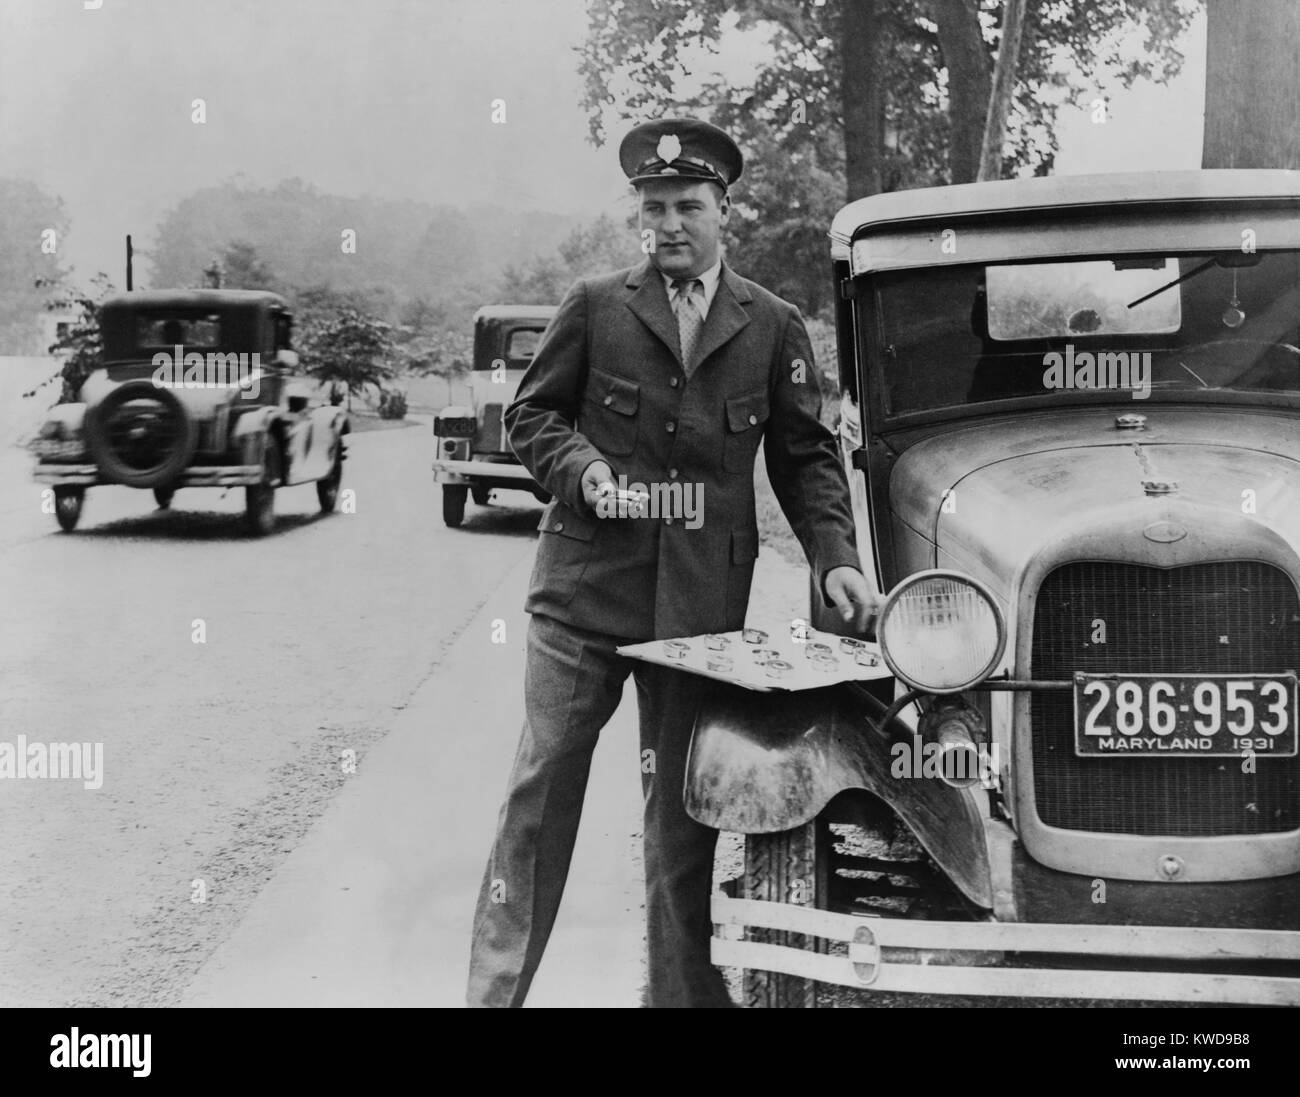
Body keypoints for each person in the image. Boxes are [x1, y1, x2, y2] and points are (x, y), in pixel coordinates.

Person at [467, 118, 879, 1008]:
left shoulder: (772, 326)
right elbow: (531, 420)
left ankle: (681, 998)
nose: (669, 224)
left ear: (725, 210)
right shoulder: (595, 305)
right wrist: (584, 473)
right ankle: (493, 997)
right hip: (582, 601)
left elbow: (806, 459)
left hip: (697, 612)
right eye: (652, 208)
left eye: (688, 205)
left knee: (682, 820)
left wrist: (835, 557)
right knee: (539, 799)